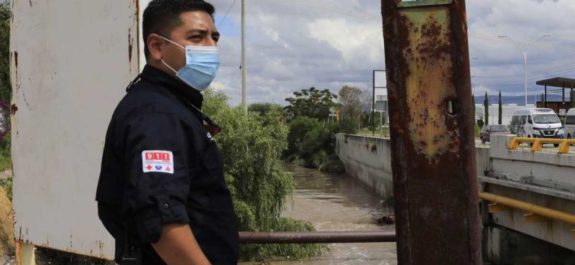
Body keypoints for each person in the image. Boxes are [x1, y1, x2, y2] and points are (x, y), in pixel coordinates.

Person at [96, 0, 239, 264]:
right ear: (157, 47)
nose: (211, 47)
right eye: (197, 37)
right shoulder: (157, 115)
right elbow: (162, 219)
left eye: (214, 37)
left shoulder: (170, 106)